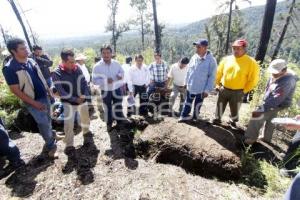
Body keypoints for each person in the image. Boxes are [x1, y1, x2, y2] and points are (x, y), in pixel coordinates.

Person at [2, 38, 57, 158]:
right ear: (13, 51)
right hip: (33, 101)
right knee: (43, 123)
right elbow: (15, 90)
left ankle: (51, 135)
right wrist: (34, 103)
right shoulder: (10, 68)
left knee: (48, 119)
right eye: (22, 48)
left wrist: (49, 91)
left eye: (26, 47)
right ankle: (51, 145)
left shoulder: (31, 61)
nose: (26, 50)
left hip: (45, 96)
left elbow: (41, 77)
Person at [244, 59, 297, 145]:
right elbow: (269, 86)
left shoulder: (288, 81)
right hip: (272, 101)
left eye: (275, 72)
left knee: (257, 115)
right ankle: (266, 138)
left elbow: (277, 99)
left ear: (284, 70)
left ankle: (249, 139)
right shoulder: (276, 74)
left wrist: (262, 107)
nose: (273, 74)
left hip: (278, 103)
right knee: (271, 117)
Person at [213, 39, 260, 128]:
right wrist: (217, 84)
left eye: (239, 48)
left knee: (235, 108)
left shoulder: (251, 62)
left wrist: (244, 90)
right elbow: (219, 72)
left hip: (238, 91)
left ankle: (233, 121)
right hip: (224, 88)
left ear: (244, 49)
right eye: (234, 48)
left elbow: (253, 79)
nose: (236, 50)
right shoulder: (227, 59)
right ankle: (217, 119)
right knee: (220, 105)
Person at [52, 49, 92, 153]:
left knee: (85, 118)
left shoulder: (77, 68)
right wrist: (75, 99)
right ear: (63, 61)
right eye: (71, 62)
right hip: (68, 102)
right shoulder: (56, 73)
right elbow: (61, 92)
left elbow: (83, 82)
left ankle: (86, 133)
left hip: (82, 99)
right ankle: (69, 144)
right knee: (68, 124)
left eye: (74, 61)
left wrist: (85, 95)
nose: (74, 63)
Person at [179, 39, 217, 122]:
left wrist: (207, 90)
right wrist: (186, 82)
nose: (196, 49)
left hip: (201, 88)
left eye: (199, 47)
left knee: (198, 104)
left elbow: (212, 77)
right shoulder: (194, 57)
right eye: (196, 47)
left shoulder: (211, 61)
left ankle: (195, 117)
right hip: (191, 86)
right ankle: (183, 116)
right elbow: (189, 71)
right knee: (187, 102)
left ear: (205, 48)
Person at [92, 44, 126, 132]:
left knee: (118, 106)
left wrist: (120, 75)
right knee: (108, 108)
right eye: (104, 53)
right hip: (105, 91)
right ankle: (109, 124)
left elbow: (122, 72)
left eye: (108, 52)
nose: (106, 55)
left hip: (117, 89)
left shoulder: (116, 63)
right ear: (101, 54)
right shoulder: (97, 66)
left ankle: (120, 122)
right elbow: (94, 81)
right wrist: (105, 81)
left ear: (111, 53)